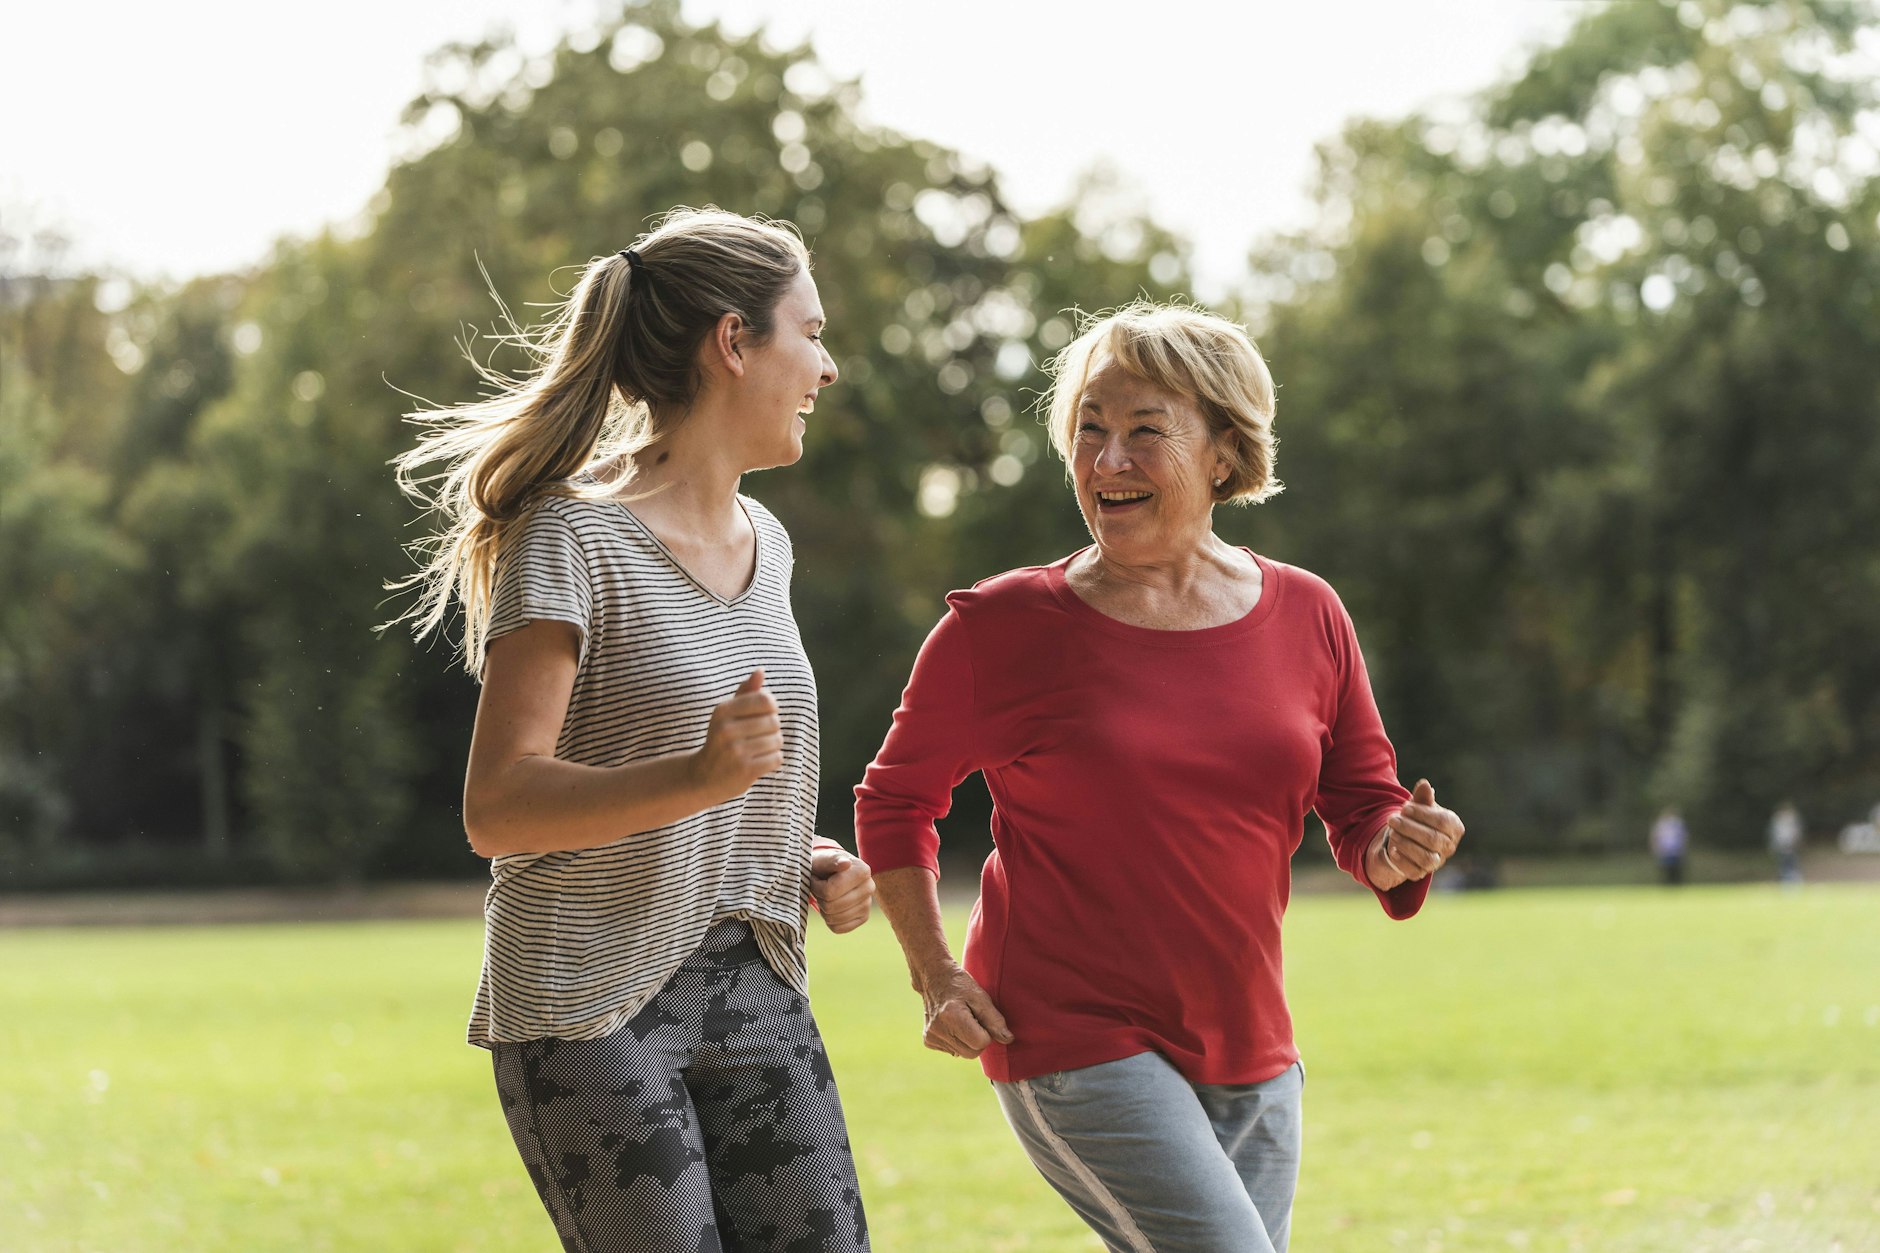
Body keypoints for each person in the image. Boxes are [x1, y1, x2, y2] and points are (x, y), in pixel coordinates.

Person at [853, 301, 1467, 1253]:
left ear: (1224, 453)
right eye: (1089, 432)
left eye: (1146, 432)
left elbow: (1362, 806)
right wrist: (935, 972)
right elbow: (895, 799)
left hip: (1252, 1041)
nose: (1108, 462)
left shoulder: (1310, 613)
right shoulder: (1002, 627)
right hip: (1070, 1035)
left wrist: (1397, 845)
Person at [392, 208, 875, 1252]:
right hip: (588, 1002)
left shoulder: (770, 543)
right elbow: (499, 804)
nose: (827, 368)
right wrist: (698, 776)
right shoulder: (571, 534)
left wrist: (800, 854)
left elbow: (712, 782)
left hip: (750, 978)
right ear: (733, 342)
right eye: (812, 331)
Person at [1651, 806, 1689, 886]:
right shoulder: (1661, 825)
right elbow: (1656, 837)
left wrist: (1683, 848)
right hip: (1665, 851)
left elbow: (1683, 836)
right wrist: (1657, 848)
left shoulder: (1678, 824)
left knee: (1676, 870)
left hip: (1676, 851)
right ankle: (1666, 885)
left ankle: (1676, 885)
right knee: (1665, 870)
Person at [1768, 801, 1804, 885]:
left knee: (1792, 864)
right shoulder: (1777, 821)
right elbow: (1774, 834)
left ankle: (1793, 881)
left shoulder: (1793, 820)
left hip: (1791, 846)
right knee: (1783, 864)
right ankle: (1784, 881)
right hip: (1781, 847)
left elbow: (1797, 833)